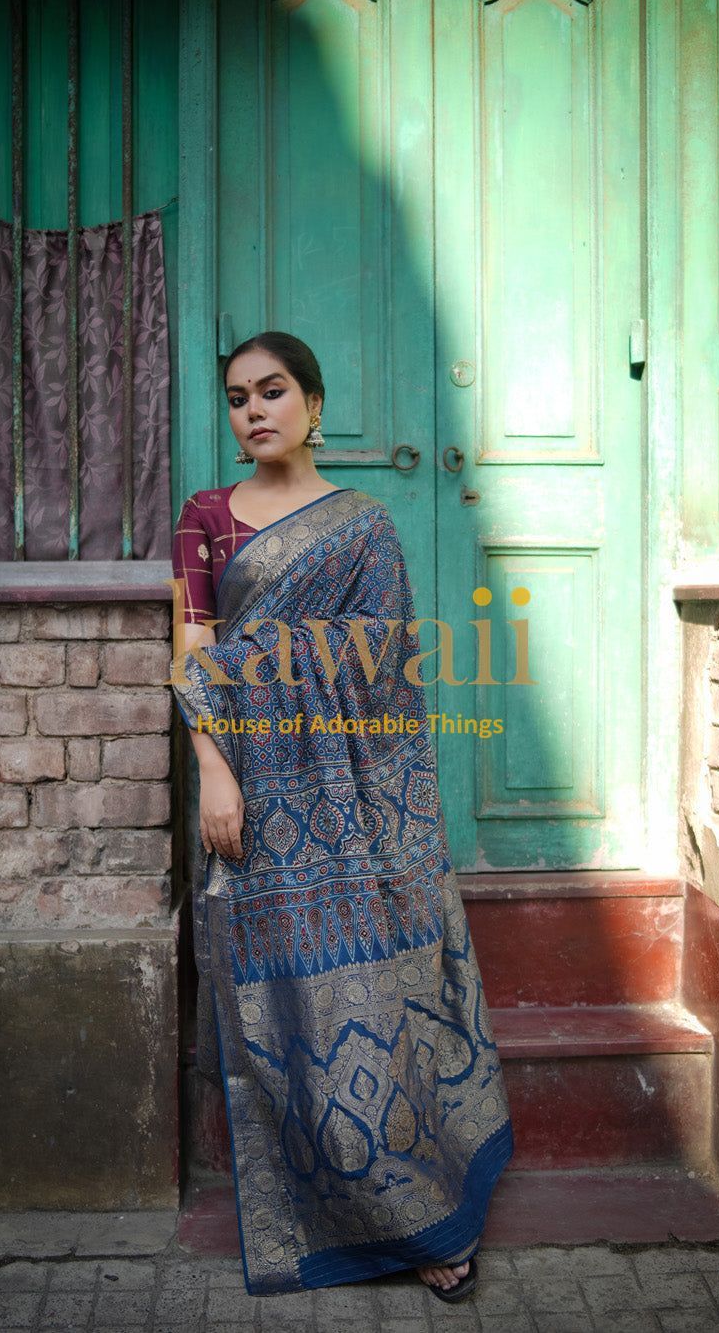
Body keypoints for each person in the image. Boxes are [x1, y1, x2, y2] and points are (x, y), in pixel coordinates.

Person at [170, 331, 514, 1299]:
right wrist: (214, 772)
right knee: (286, 1009)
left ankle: (425, 1217)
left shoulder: (365, 527)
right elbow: (193, 654)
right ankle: (330, 1206)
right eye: (237, 398)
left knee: (378, 1001)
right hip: (251, 795)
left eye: (272, 392)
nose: (254, 412)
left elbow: (382, 666)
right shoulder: (203, 522)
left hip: (355, 810)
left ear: (314, 405)